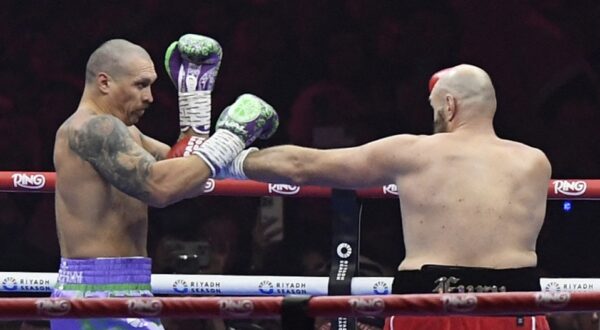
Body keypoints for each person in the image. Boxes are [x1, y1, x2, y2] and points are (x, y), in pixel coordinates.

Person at [228, 64, 552, 329]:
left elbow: (302, 166)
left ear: (450, 106)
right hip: (516, 307)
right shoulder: (535, 162)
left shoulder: (413, 152)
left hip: (428, 303)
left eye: (436, 109)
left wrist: (229, 159)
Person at [51, 35, 278, 330]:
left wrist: (195, 106)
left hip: (124, 289)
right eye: (140, 85)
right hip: (96, 295)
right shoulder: (93, 128)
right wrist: (232, 135)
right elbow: (161, 188)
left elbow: (183, 170)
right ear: (104, 82)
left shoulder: (126, 133)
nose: (150, 97)